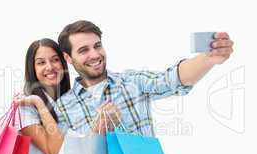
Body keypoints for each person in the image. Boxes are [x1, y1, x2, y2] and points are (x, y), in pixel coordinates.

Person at [53, 20, 234, 137]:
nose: (94, 54)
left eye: (97, 46)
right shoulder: (62, 107)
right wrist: (96, 132)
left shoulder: (131, 81)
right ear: (68, 58)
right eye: (84, 50)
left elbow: (172, 80)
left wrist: (208, 59)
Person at [13, 38, 70, 154]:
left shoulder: (70, 104)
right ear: (32, 68)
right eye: (41, 62)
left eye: (55, 60)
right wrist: (39, 103)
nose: (50, 67)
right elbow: (55, 152)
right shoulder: (25, 105)